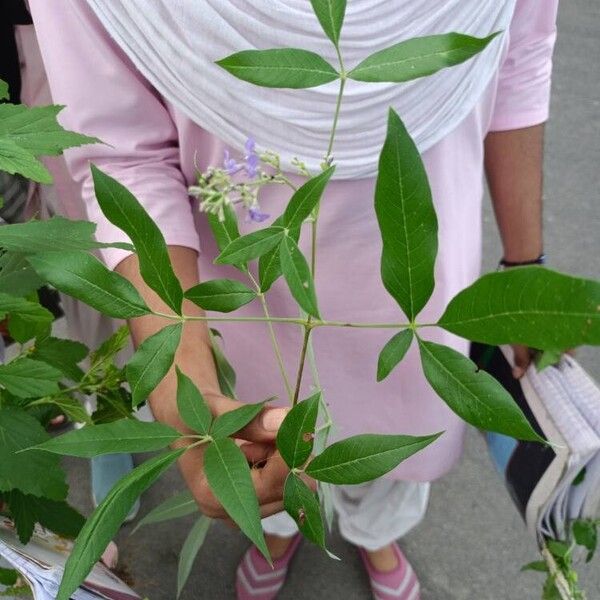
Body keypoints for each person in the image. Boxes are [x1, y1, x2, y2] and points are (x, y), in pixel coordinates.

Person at [29, 1, 558, 599]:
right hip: (246, 290)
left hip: (417, 298)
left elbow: (518, 60)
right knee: (270, 447)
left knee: (397, 449)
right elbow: (124, 155)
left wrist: (526, 264)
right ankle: (281, 529)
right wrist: (193, 402)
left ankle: (375, 533)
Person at [2, 1, 140, 522]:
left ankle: (186, 384)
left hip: (140, 32)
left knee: (176, 243)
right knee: (80, 267)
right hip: (30, 48)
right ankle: (107, 418)